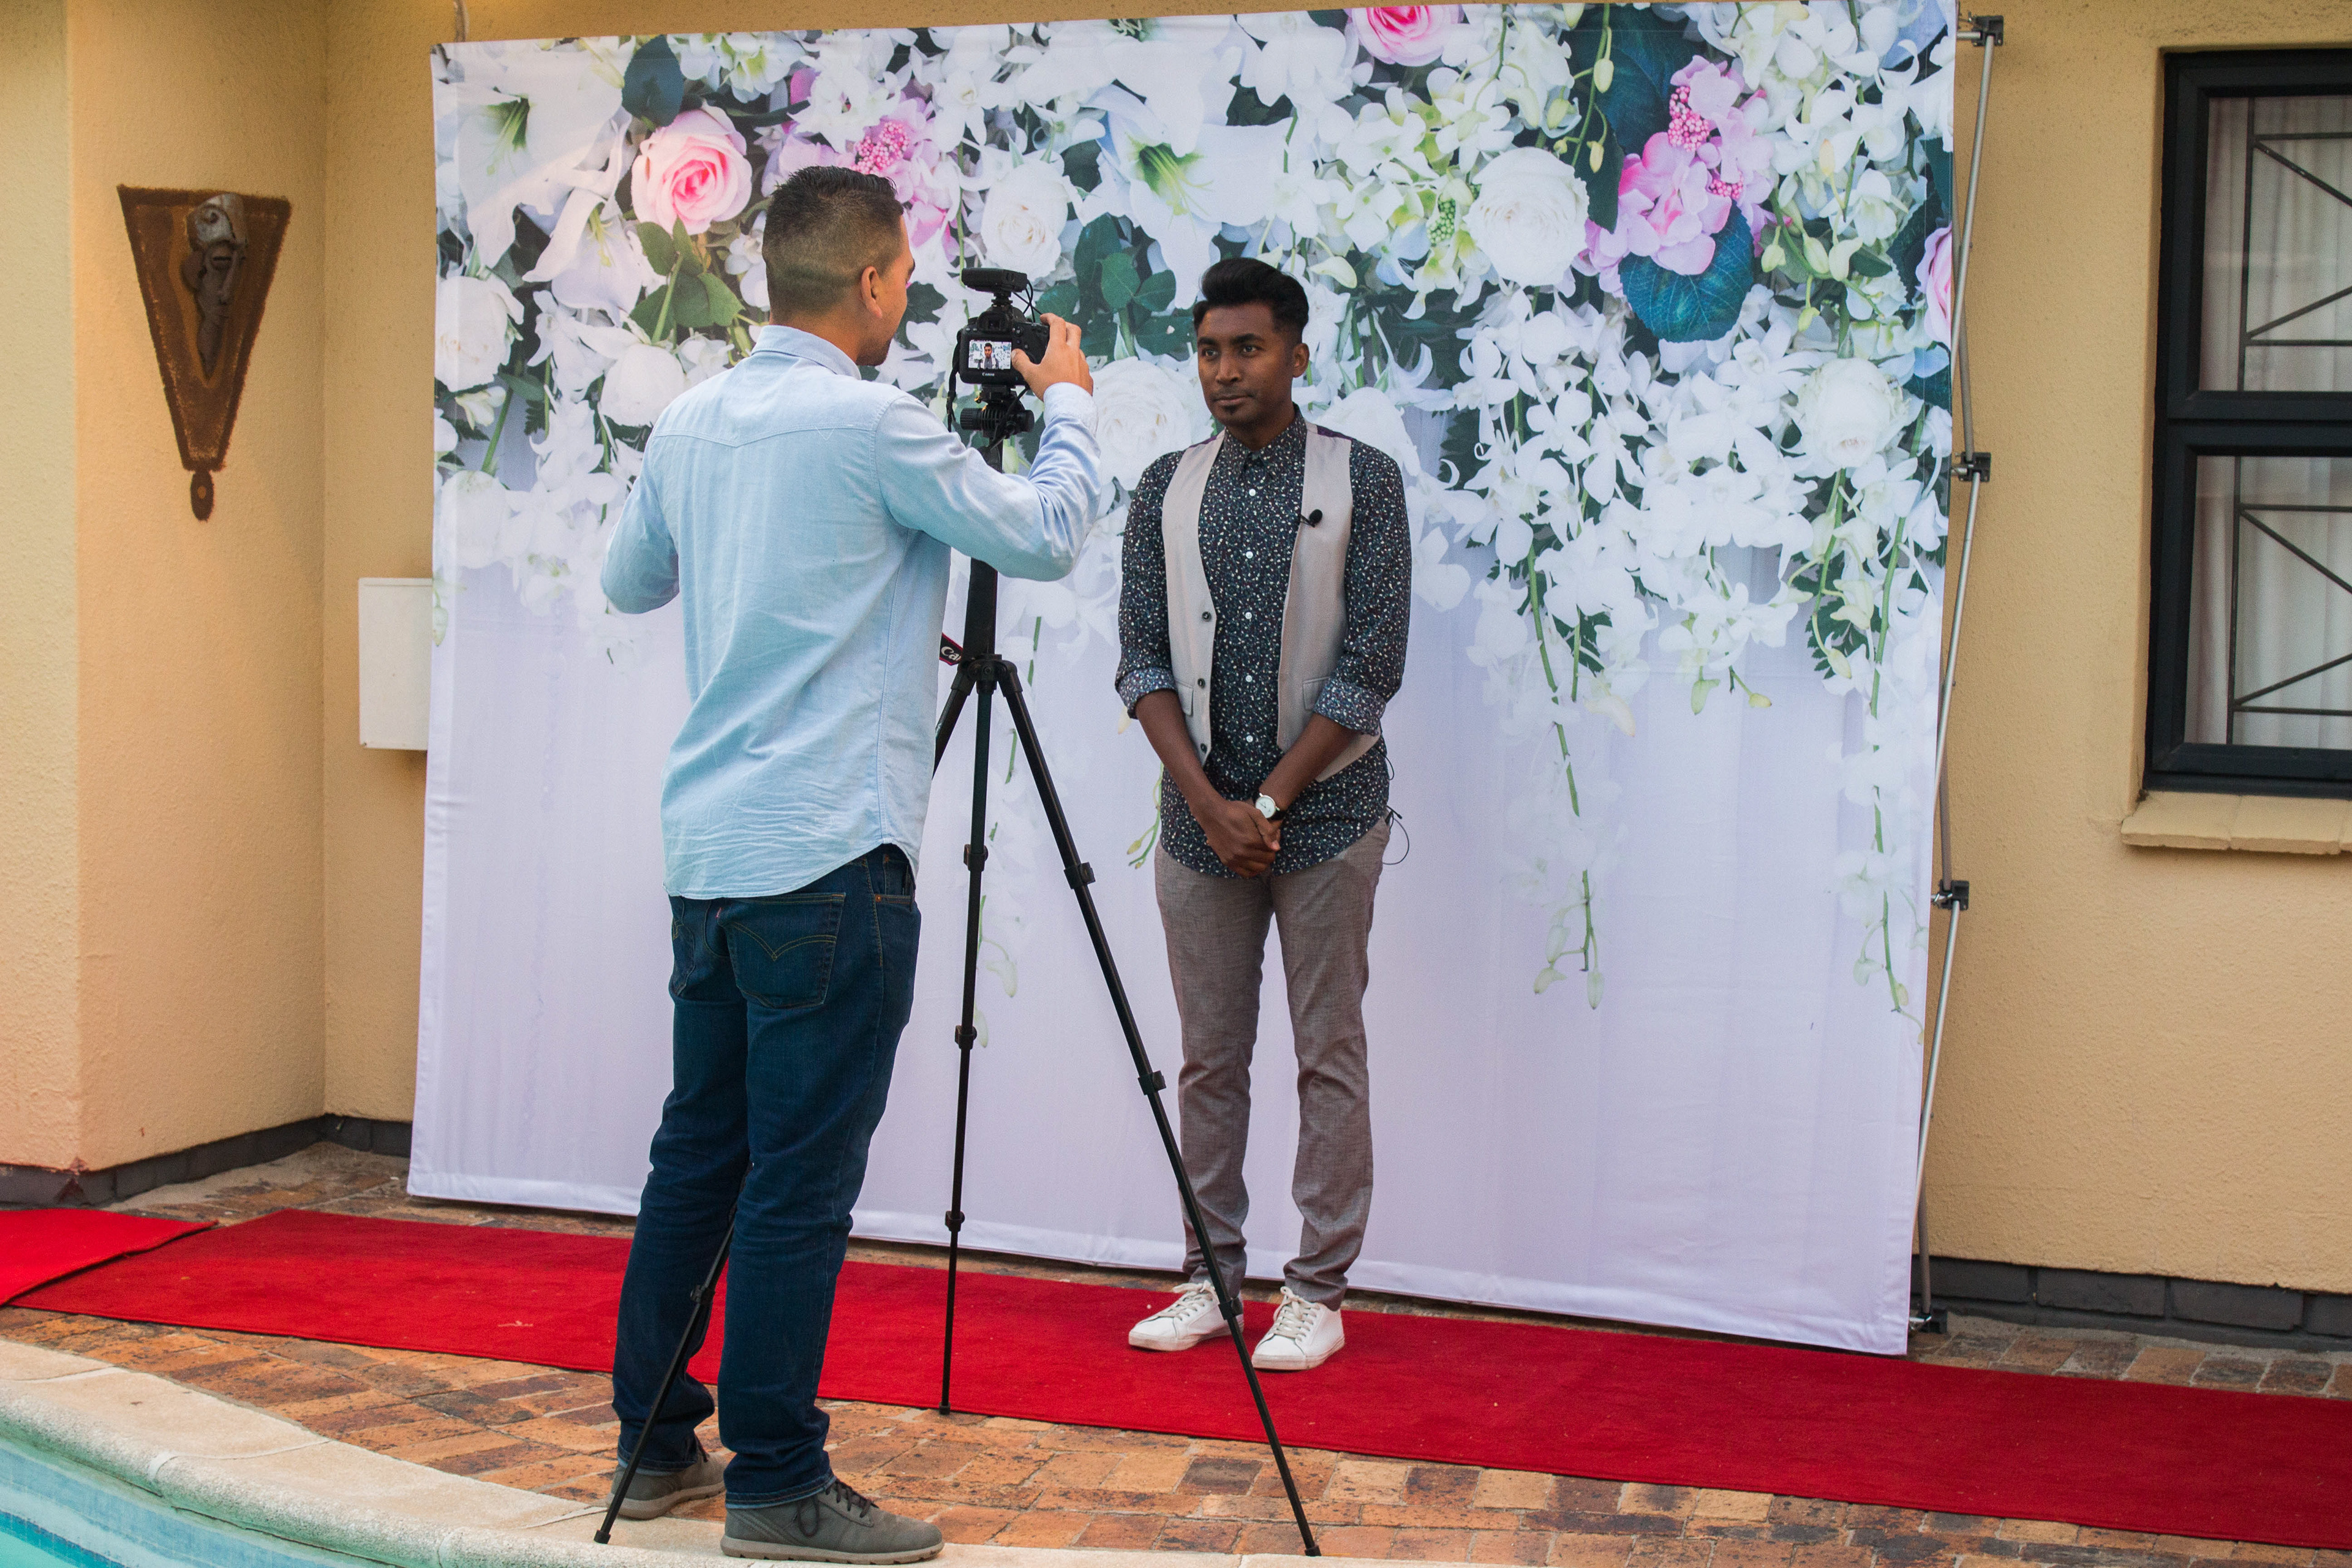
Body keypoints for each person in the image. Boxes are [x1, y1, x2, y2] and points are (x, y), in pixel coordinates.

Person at [598, 165, 1106, 1562]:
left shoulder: (693, 419)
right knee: (797, 1185)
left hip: (711, 855)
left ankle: (654, 1445)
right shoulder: (878, 424)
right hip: (830, 856)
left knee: (698, 1157)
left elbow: (632, 581)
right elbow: (1045, 533)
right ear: (876, 281)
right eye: (904, 278)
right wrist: (1068, 403)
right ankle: (777, 1482)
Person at [1112, 257, 1411, 1373]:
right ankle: (1212, 1277)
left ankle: (1318, 1292)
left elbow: (1371, 668)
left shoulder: (1363, 479)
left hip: (1329, 819)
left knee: (1328, 1053)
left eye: (1247, 348)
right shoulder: (1164, 485)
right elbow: (1140, 661)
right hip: (1201, 829)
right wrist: (1212, 807)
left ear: (1297, 354)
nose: (1225, 371)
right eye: (1208, 351)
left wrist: (1271, 801)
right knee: (1209, 1060)